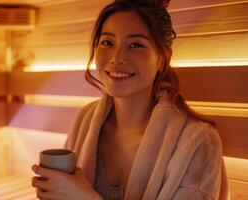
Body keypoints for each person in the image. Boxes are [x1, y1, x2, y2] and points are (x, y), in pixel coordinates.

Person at [31, 0, 229, 199]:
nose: (116, 58)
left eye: (135, 45)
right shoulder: (86, 118)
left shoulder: (199, 142)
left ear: (162, 58)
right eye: (107, 42)